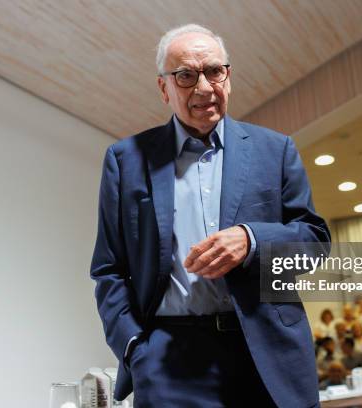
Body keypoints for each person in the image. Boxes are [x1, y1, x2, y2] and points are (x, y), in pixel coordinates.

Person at [90, 24, 330, 407]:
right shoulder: (126, 160)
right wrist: (135, 346)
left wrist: (252, 241)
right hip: (169, 361)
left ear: (228, 77)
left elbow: (315, 241)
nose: (204, 87)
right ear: (163, 88)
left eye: (214, 71)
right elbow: (109, 268)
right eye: (185, 75)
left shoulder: (276, 150)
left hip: (266, 356)